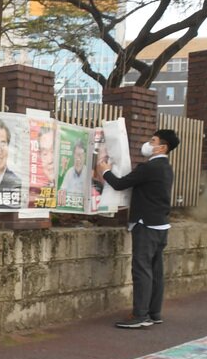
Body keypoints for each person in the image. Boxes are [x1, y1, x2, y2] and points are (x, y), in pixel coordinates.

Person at [97, 128, 179, 328]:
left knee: (142, 270)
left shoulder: (149, 168)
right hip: (161, 225)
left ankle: (140, 315)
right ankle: (154, 313)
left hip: (146, 225)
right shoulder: (166, 168)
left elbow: (119, 184)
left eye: (152, 141)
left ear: (162, 147)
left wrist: (104, 170)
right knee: (155, 270)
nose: (148, 144)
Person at [59, 138, 90, 205]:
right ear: (73, 155)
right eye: (76, 154)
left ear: (85, 156)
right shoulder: (69, 172)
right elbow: (62, 191)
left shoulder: (88, 173)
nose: (78, 158)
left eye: (81, 155)